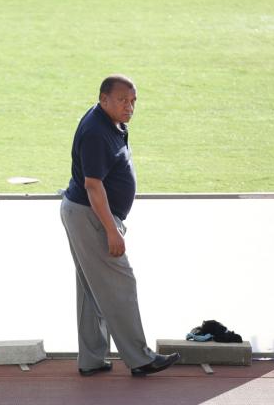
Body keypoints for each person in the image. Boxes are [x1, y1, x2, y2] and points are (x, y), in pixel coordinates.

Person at [60, 74, 180, 377]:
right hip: (91, 216)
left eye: (133, 101)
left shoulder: (111, 123)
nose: (129, 107)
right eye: (122, 100)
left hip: (84, 214)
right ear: (104, 99)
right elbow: (93, 186)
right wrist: (111, 230)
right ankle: (140, 359)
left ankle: (92, 359)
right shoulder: (97, 132)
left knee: (91, 290)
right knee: (121, 284)